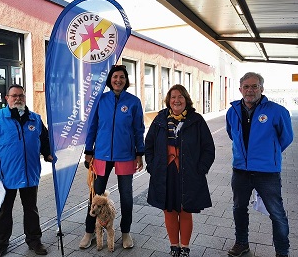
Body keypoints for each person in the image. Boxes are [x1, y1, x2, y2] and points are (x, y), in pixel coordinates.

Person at [0, 84, 54, 257]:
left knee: (31, 209)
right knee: (5, 212)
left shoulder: (35, 119)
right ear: (7, 98)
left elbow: (44, 139)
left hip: (29, 174)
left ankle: (34, 241)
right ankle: (0, 245)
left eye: (21, 95)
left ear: (24, 97)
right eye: (14, 96)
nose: (18, 99)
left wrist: (48, 153)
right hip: (7, 175)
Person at [226, 72, 293, 257]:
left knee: (276, 213)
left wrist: (267, 155)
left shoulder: (277, 111)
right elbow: (232, 134)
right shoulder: (232, 111)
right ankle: (242, 243)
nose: (250, 90)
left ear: (261, 89)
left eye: (254, 86)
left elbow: (286, 138)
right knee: (239, 208)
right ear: (240, 89)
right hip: (240, 170)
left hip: (267, 172)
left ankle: (282, 251)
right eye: (246, 86)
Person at [79, 64, 145, 249]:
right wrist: (89, 151)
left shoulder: (133, 102)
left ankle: (125, 232)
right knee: (95, 195)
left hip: (125, 155)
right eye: (115, 77)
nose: (118, 80)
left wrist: (140, 153)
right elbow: (92, 127)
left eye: (122, 77)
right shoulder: (100, 100)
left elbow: (139, 129)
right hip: (101, 154)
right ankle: (89, 232)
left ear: (126, 80)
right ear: (110, 80)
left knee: (126, 196)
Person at [145, 84, 215, 257]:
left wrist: (201, 169)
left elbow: (208, 148)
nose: (176, 100)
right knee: (169, 210)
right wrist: (153, 166)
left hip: (189, 173)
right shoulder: (160, 119)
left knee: (185, 210)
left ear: (186, 100)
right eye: (173, 97)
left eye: (180, 97)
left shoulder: (196, 120)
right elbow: (149, 145)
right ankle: (174, 247)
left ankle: (185, 247)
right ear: (169, 100)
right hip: (164, 173)